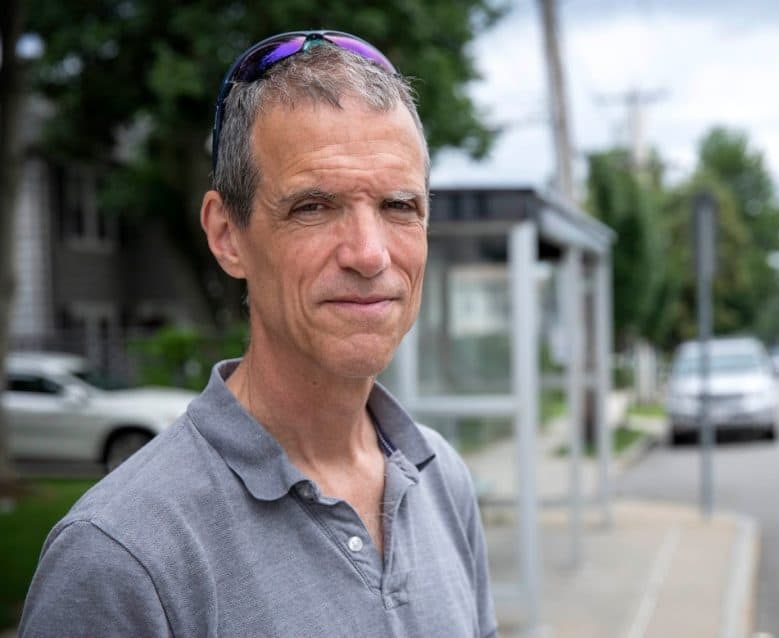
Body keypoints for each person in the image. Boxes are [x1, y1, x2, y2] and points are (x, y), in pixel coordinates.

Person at [19, 30, 498, 638]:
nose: (369, 254)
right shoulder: (120, 559)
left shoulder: (441, 482)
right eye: (313, 207)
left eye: (400, 206)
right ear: (226, 235)